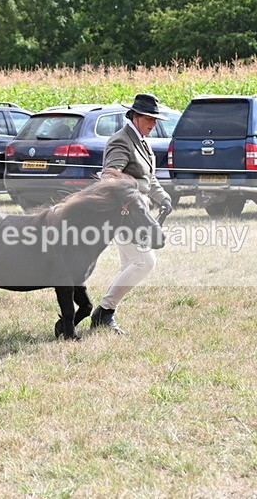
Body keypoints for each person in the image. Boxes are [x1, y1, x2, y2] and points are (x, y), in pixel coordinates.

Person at [91, 93, 172, 334]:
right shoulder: (121, 141)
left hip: (139, 212)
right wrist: (133, 199)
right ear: (135, 116)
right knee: (145, 262)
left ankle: (105, 314)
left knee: (130, 264)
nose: (154, 124)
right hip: (125, 214)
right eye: (150, 119)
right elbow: (110, 176)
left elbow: (148, 178)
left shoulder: (142, 140)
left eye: (156, 119)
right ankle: (104, 311)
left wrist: (163, 197)